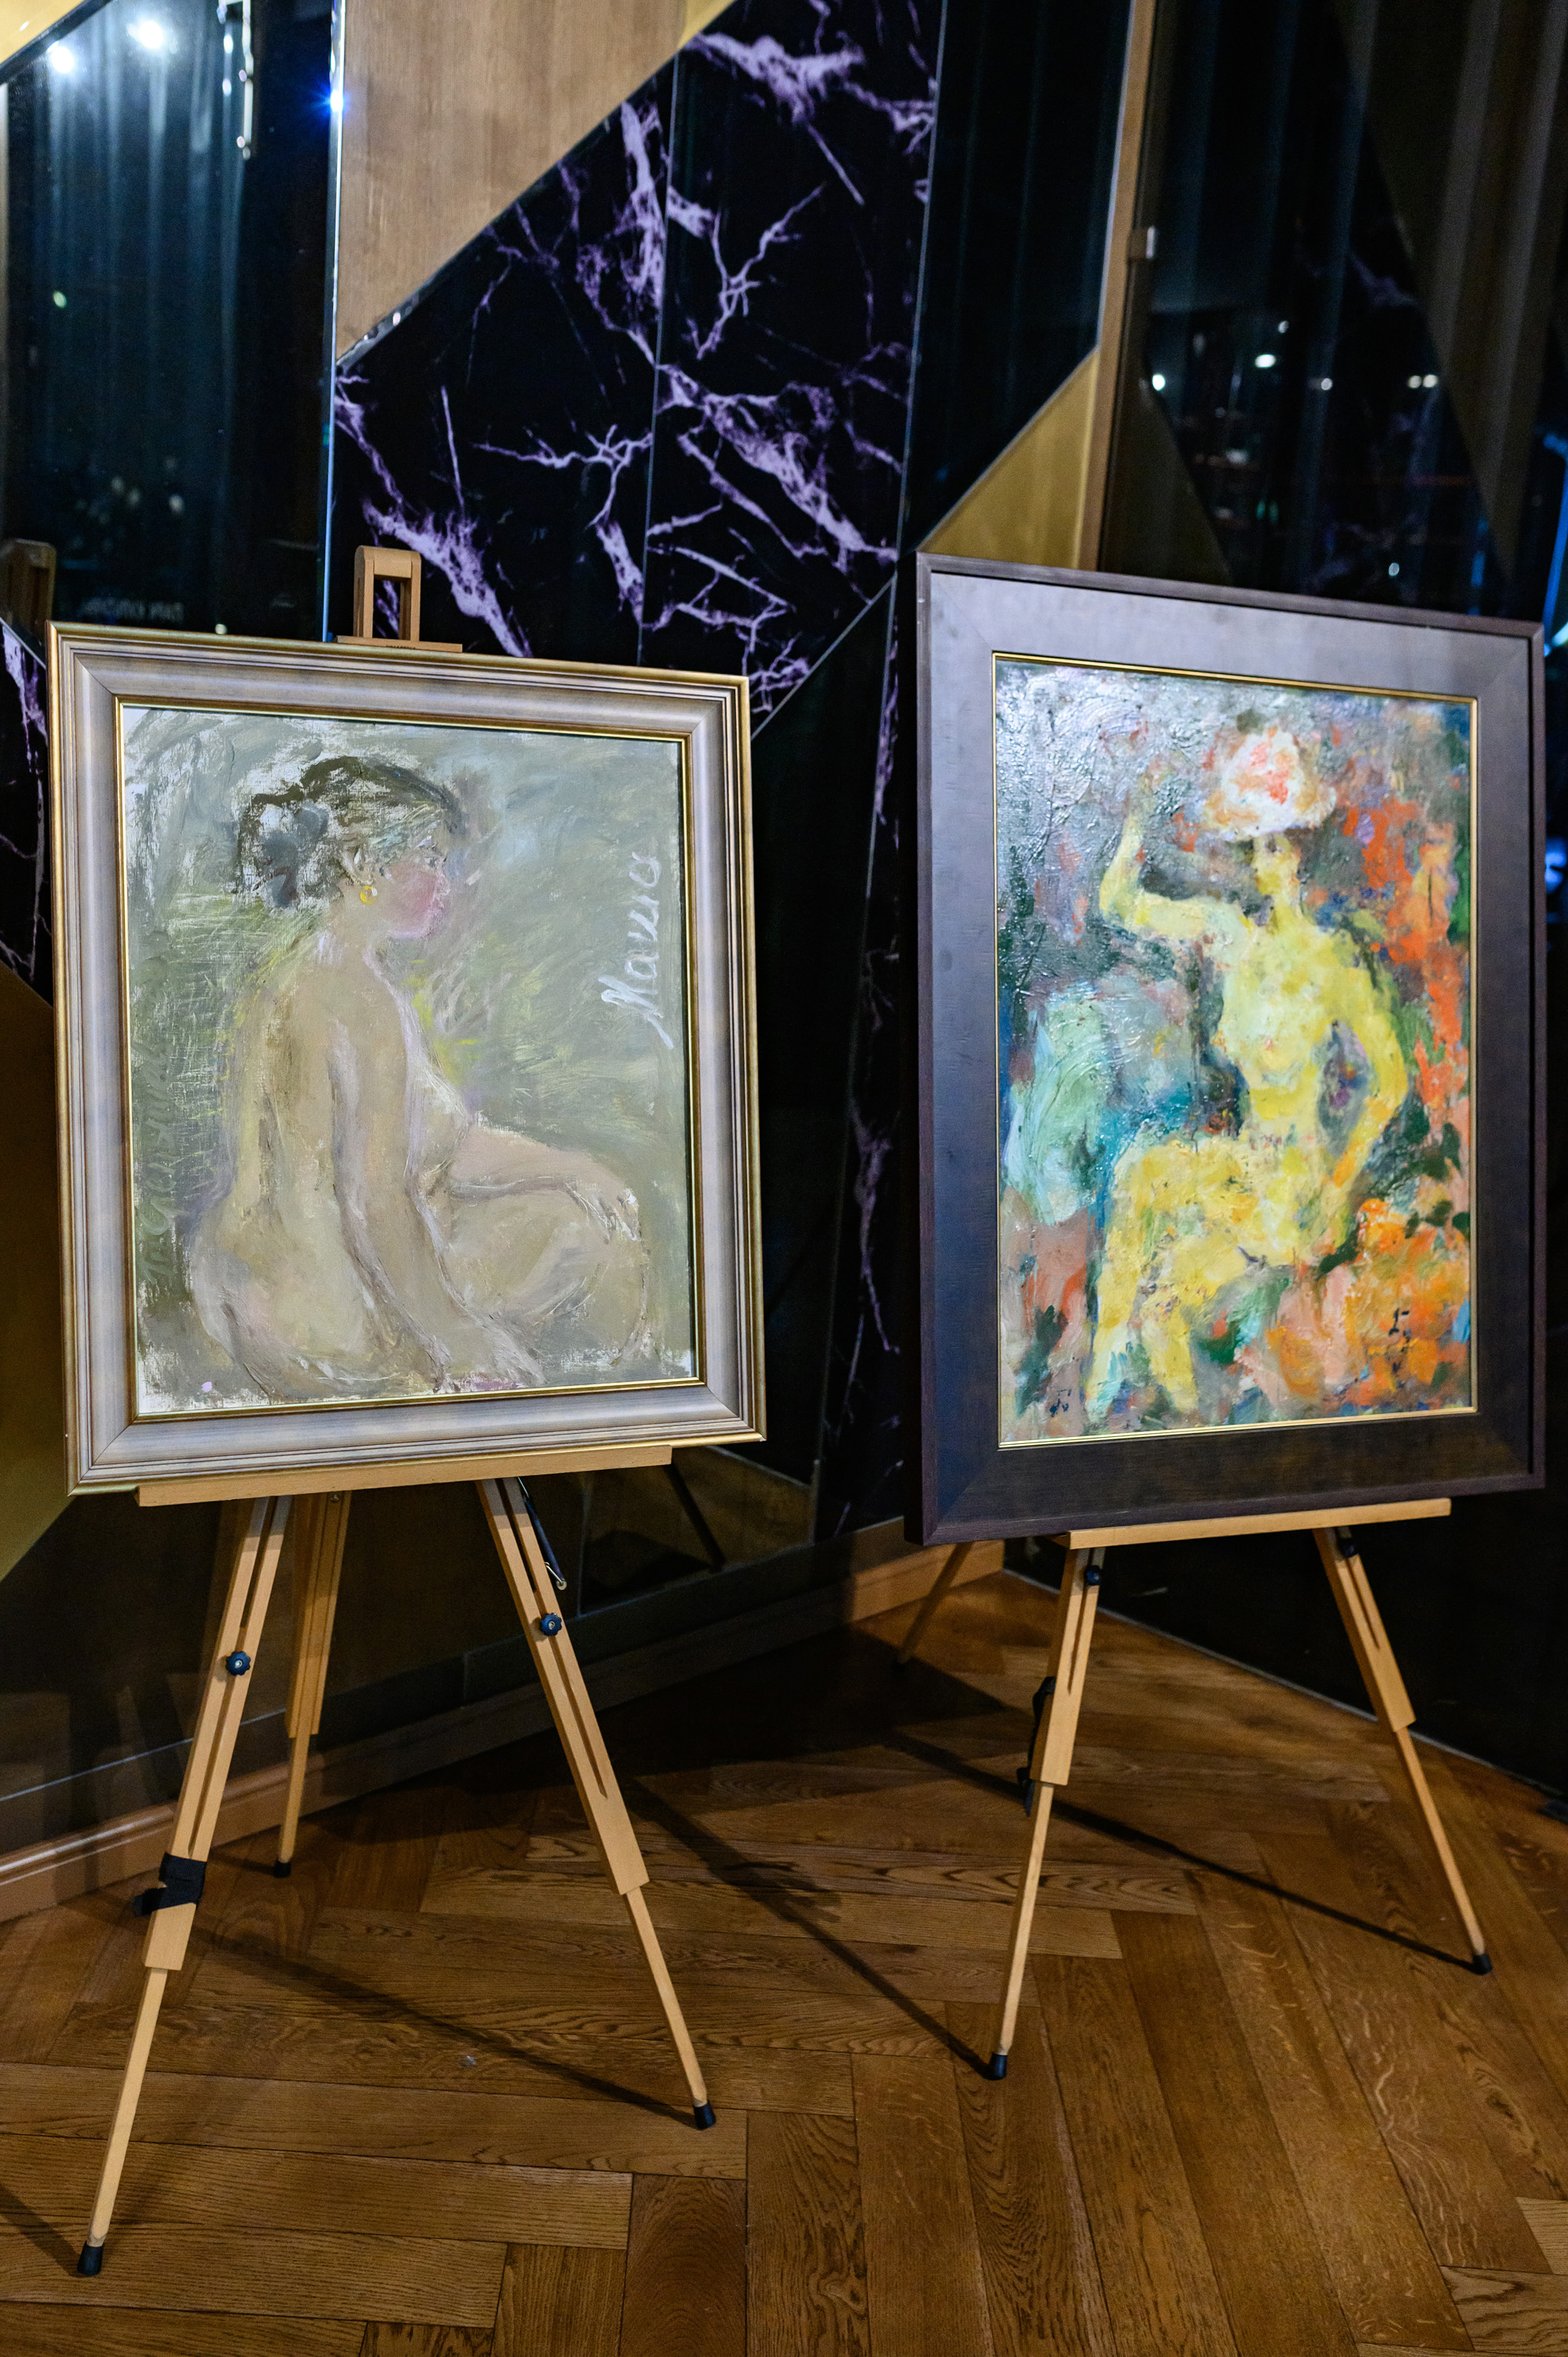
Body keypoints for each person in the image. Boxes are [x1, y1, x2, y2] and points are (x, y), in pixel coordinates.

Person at [189, 753, 647, 1402]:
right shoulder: (360, 1000)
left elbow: (444, 1143)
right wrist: (456, 1337)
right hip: (331, 1312)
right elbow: (374, 1199)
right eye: (429, 859)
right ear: (361, 864)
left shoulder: (297, 978)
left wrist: (572, 1167)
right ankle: (613, 1410)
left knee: (578, 1204)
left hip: (252, 1290)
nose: (445, 884)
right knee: (588, 1237)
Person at [1083, 724, 1408, 1422]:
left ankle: (1139, 1396)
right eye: (1252, 848)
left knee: (1155, 1250)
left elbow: (1391, 1083)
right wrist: (1137, 818)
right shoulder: (1231, 936)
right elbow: (1119, 905)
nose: (1262, 866)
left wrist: (1338, 1188)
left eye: (1274, 847)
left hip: (1294, 1190)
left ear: (1300, 853)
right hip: (1247, 1167)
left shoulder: (1333, 963)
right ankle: (1124, 1373)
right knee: (1153, 1272)